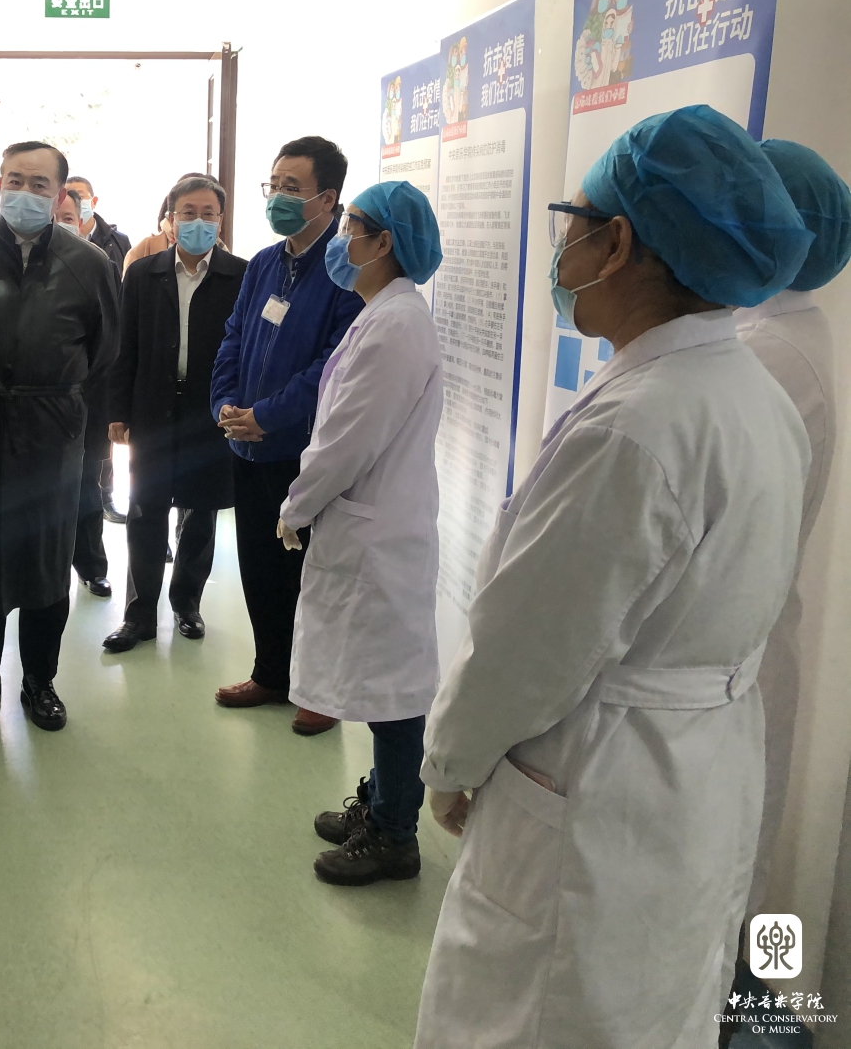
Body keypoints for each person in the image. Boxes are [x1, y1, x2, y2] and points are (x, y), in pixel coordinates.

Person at [414, 105, 814, 1049]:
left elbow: (530, 645)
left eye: (573, 224)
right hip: (695, 771)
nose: (563, 251)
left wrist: (451, 763)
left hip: (600, 777)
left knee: (539, 1011)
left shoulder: (638, 425)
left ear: (618, 242)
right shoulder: (750, 394)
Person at [277, 181, 444, 884]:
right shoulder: (383, 313)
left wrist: (296, 506)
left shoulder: (397, 324)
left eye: (351, 226)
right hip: (371, 527)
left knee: (393, 694)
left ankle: (395, 832)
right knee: (382, 682)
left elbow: (347, 439)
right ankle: (380, 803)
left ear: (384, 243)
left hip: (378, 535)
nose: (341, 240)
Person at [0, 141, 118, 732]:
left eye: (40, 184)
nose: (26, 193)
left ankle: (39, 681)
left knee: (45, 559)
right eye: (15, 180)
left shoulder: (89, 264)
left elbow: (104, 351)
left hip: (51, 426)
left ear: (60, 195)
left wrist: (52, 391)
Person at [735, 141, 850, 932]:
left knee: (714, 908)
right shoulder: (778, 331)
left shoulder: (767, 352)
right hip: (739, 662)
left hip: (732, 671)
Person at [209, 137, 362, 716]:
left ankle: (318, 692)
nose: (277, 197)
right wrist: (225, 405)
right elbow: (233, 337)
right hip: (247, 447)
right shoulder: (264, 263)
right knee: (258, 566)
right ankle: (271, 673)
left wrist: (267, 417)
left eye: (292, 188)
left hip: (304, 452)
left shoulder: (347, 269)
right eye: (273, 185)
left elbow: (333, 364)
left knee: (312, 576)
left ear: (328, 199)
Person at [103, 175, 246, 652]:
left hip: (211, 410)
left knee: (200, 512)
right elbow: (124, 346)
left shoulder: (240, 275)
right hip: (152, 406)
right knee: (145, 509)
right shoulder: (143, 273)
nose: (198, 221)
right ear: (170, 219)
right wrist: (117, 410)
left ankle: (187, 603)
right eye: (188, 212)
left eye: (208, 213)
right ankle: (139, 614)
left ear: (220, 220)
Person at [56, 190, 116, 597]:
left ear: (80, 221)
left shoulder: (97, 266)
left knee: (86, 491)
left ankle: (91, 566)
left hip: (85, 400)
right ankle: (47, 567)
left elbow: (109, 342)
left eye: (67, 217)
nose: (60, 223)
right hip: (32, 406)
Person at [67, 175, 130, 525]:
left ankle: (103, 505)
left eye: (68, 216)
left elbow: (114, 326)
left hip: (93, 380)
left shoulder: (110, 250)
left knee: (93, 462)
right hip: (45, 392)